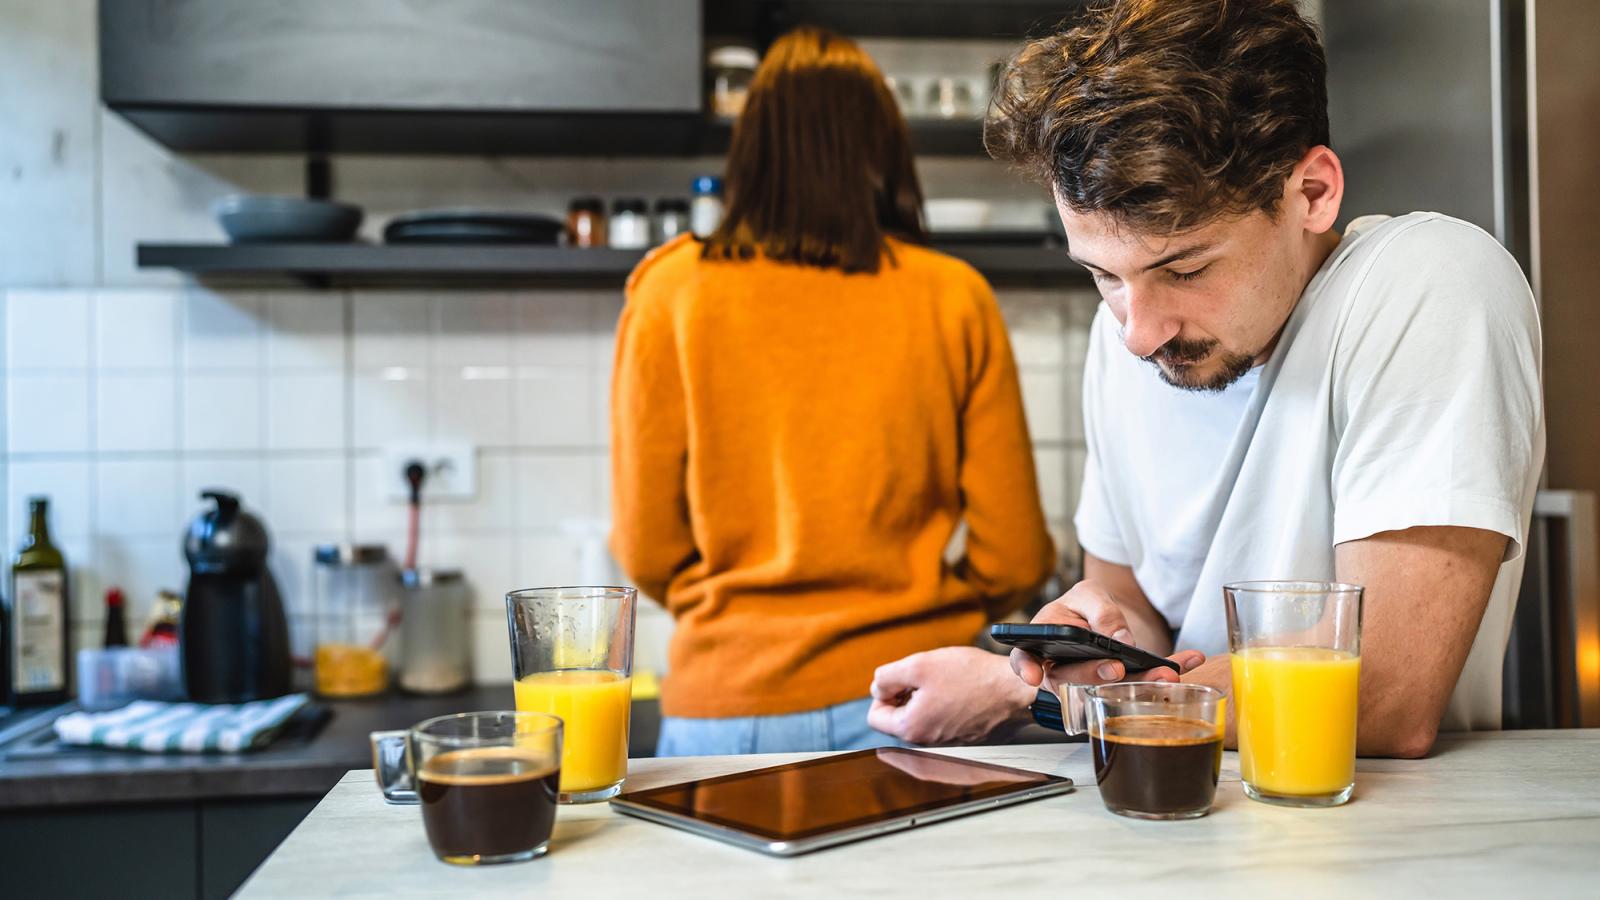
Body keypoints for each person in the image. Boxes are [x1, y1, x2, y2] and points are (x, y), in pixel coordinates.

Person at [868, 0, 1544, 758]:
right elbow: (1137, 607)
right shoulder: (1119, 337)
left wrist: (1034, 692)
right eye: (1103, 275)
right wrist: (1099, 636)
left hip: (1377, 840)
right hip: (1165, 808)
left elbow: (1382, 696)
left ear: (1312, 194)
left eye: (1183, 267)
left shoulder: (1431, 283)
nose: (1138, 330)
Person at [611, 27, 1056, 756]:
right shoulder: (952, 297)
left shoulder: (669, 293)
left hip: (725, 706)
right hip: (913, 700)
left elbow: (646, 548)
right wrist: (930, 610)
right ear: (882, 148)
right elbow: (1014, 553)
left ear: (749, 148)